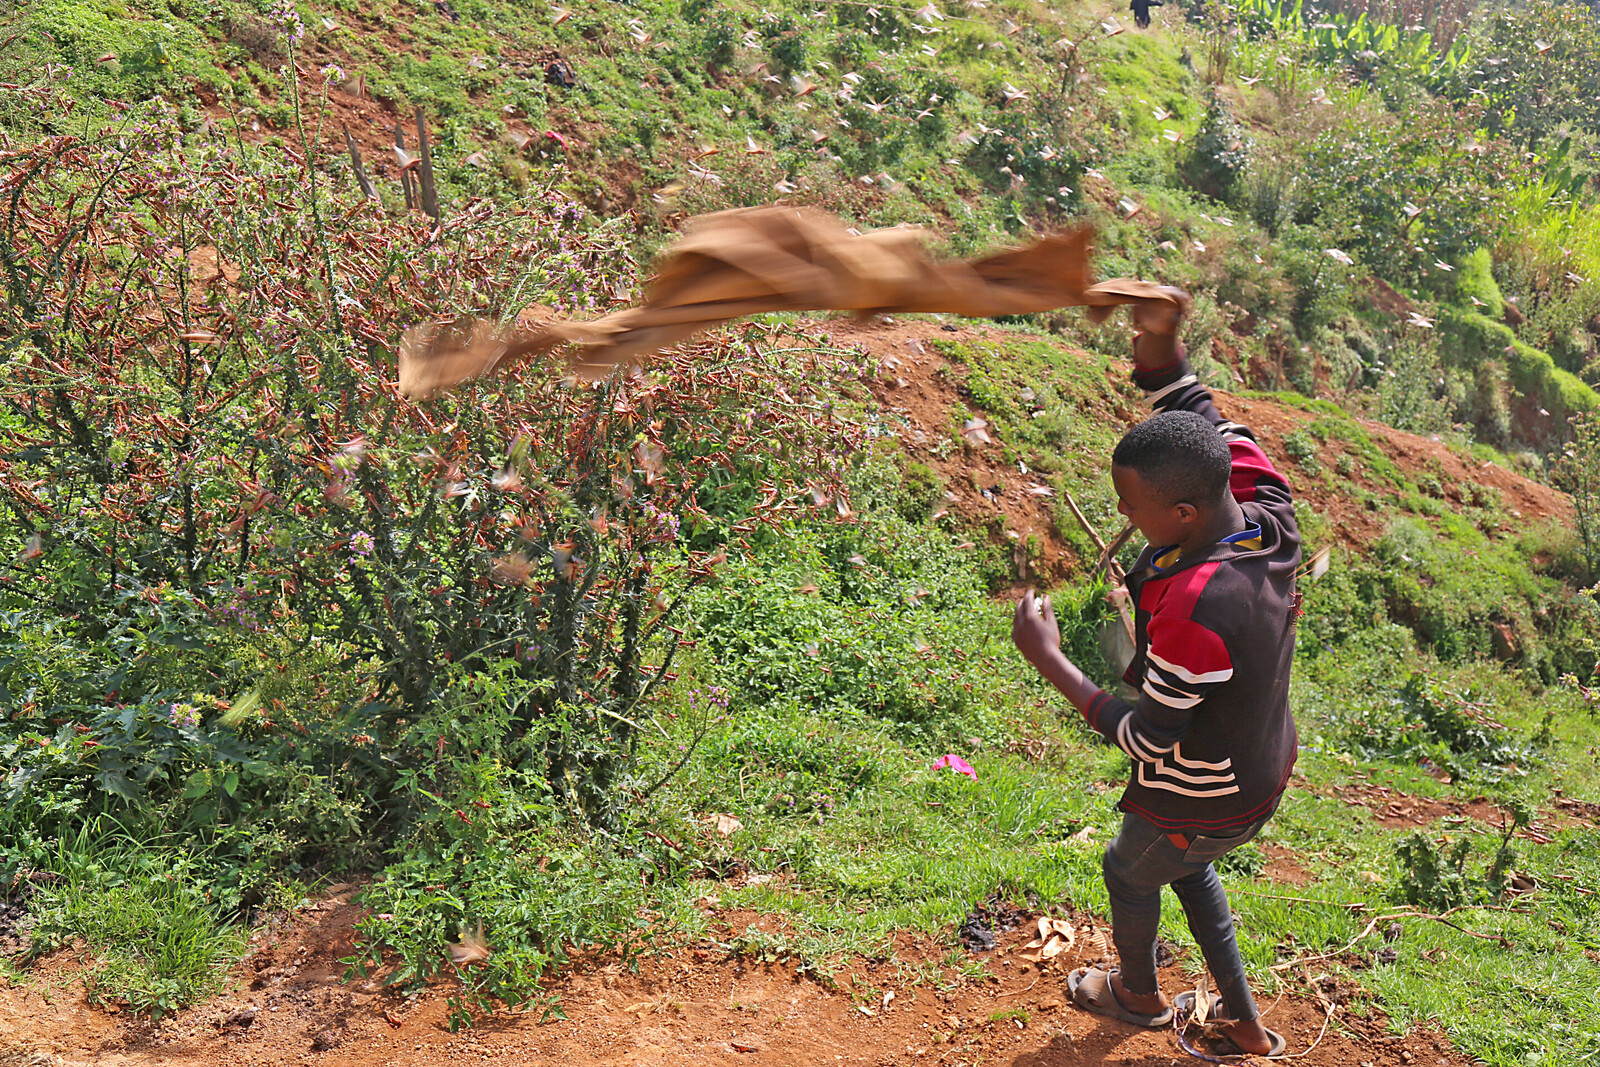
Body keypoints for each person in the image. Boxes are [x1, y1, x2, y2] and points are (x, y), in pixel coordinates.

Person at [1011, 291, 1299, 1059]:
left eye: (1131, 509)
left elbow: (1149, 737)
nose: (1126, 517)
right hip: (1258, 770)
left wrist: (1052, 661)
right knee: (1185, 865)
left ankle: (1135, 993)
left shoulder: (1196, 612)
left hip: (1201, 787)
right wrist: (1162, 350)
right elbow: (1200, 411)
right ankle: (1242, 1021)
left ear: (1178, 514)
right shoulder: (1265, 508)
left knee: (1130, 868)